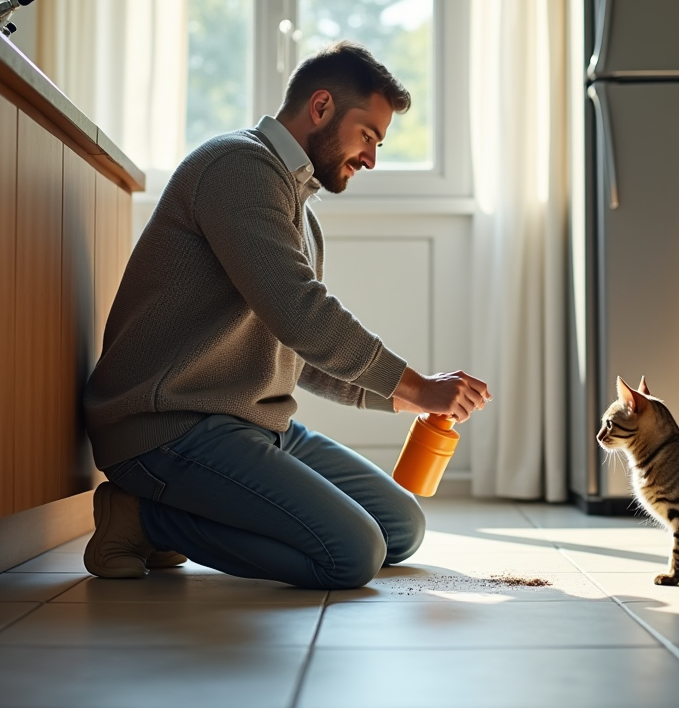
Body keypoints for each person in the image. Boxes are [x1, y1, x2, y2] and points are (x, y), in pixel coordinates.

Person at [82, 41, 490, 589]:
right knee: (351, 555)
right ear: (321, 107)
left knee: (400, 528)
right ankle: (143, 519)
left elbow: (297, 347)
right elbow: (302, 315)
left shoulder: (300, 208)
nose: (372, 157)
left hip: (253, 424)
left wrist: (404, 396)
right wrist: (416, 385)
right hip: (171, 426)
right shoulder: (238, 167)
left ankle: (179, 515)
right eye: (368, 135)